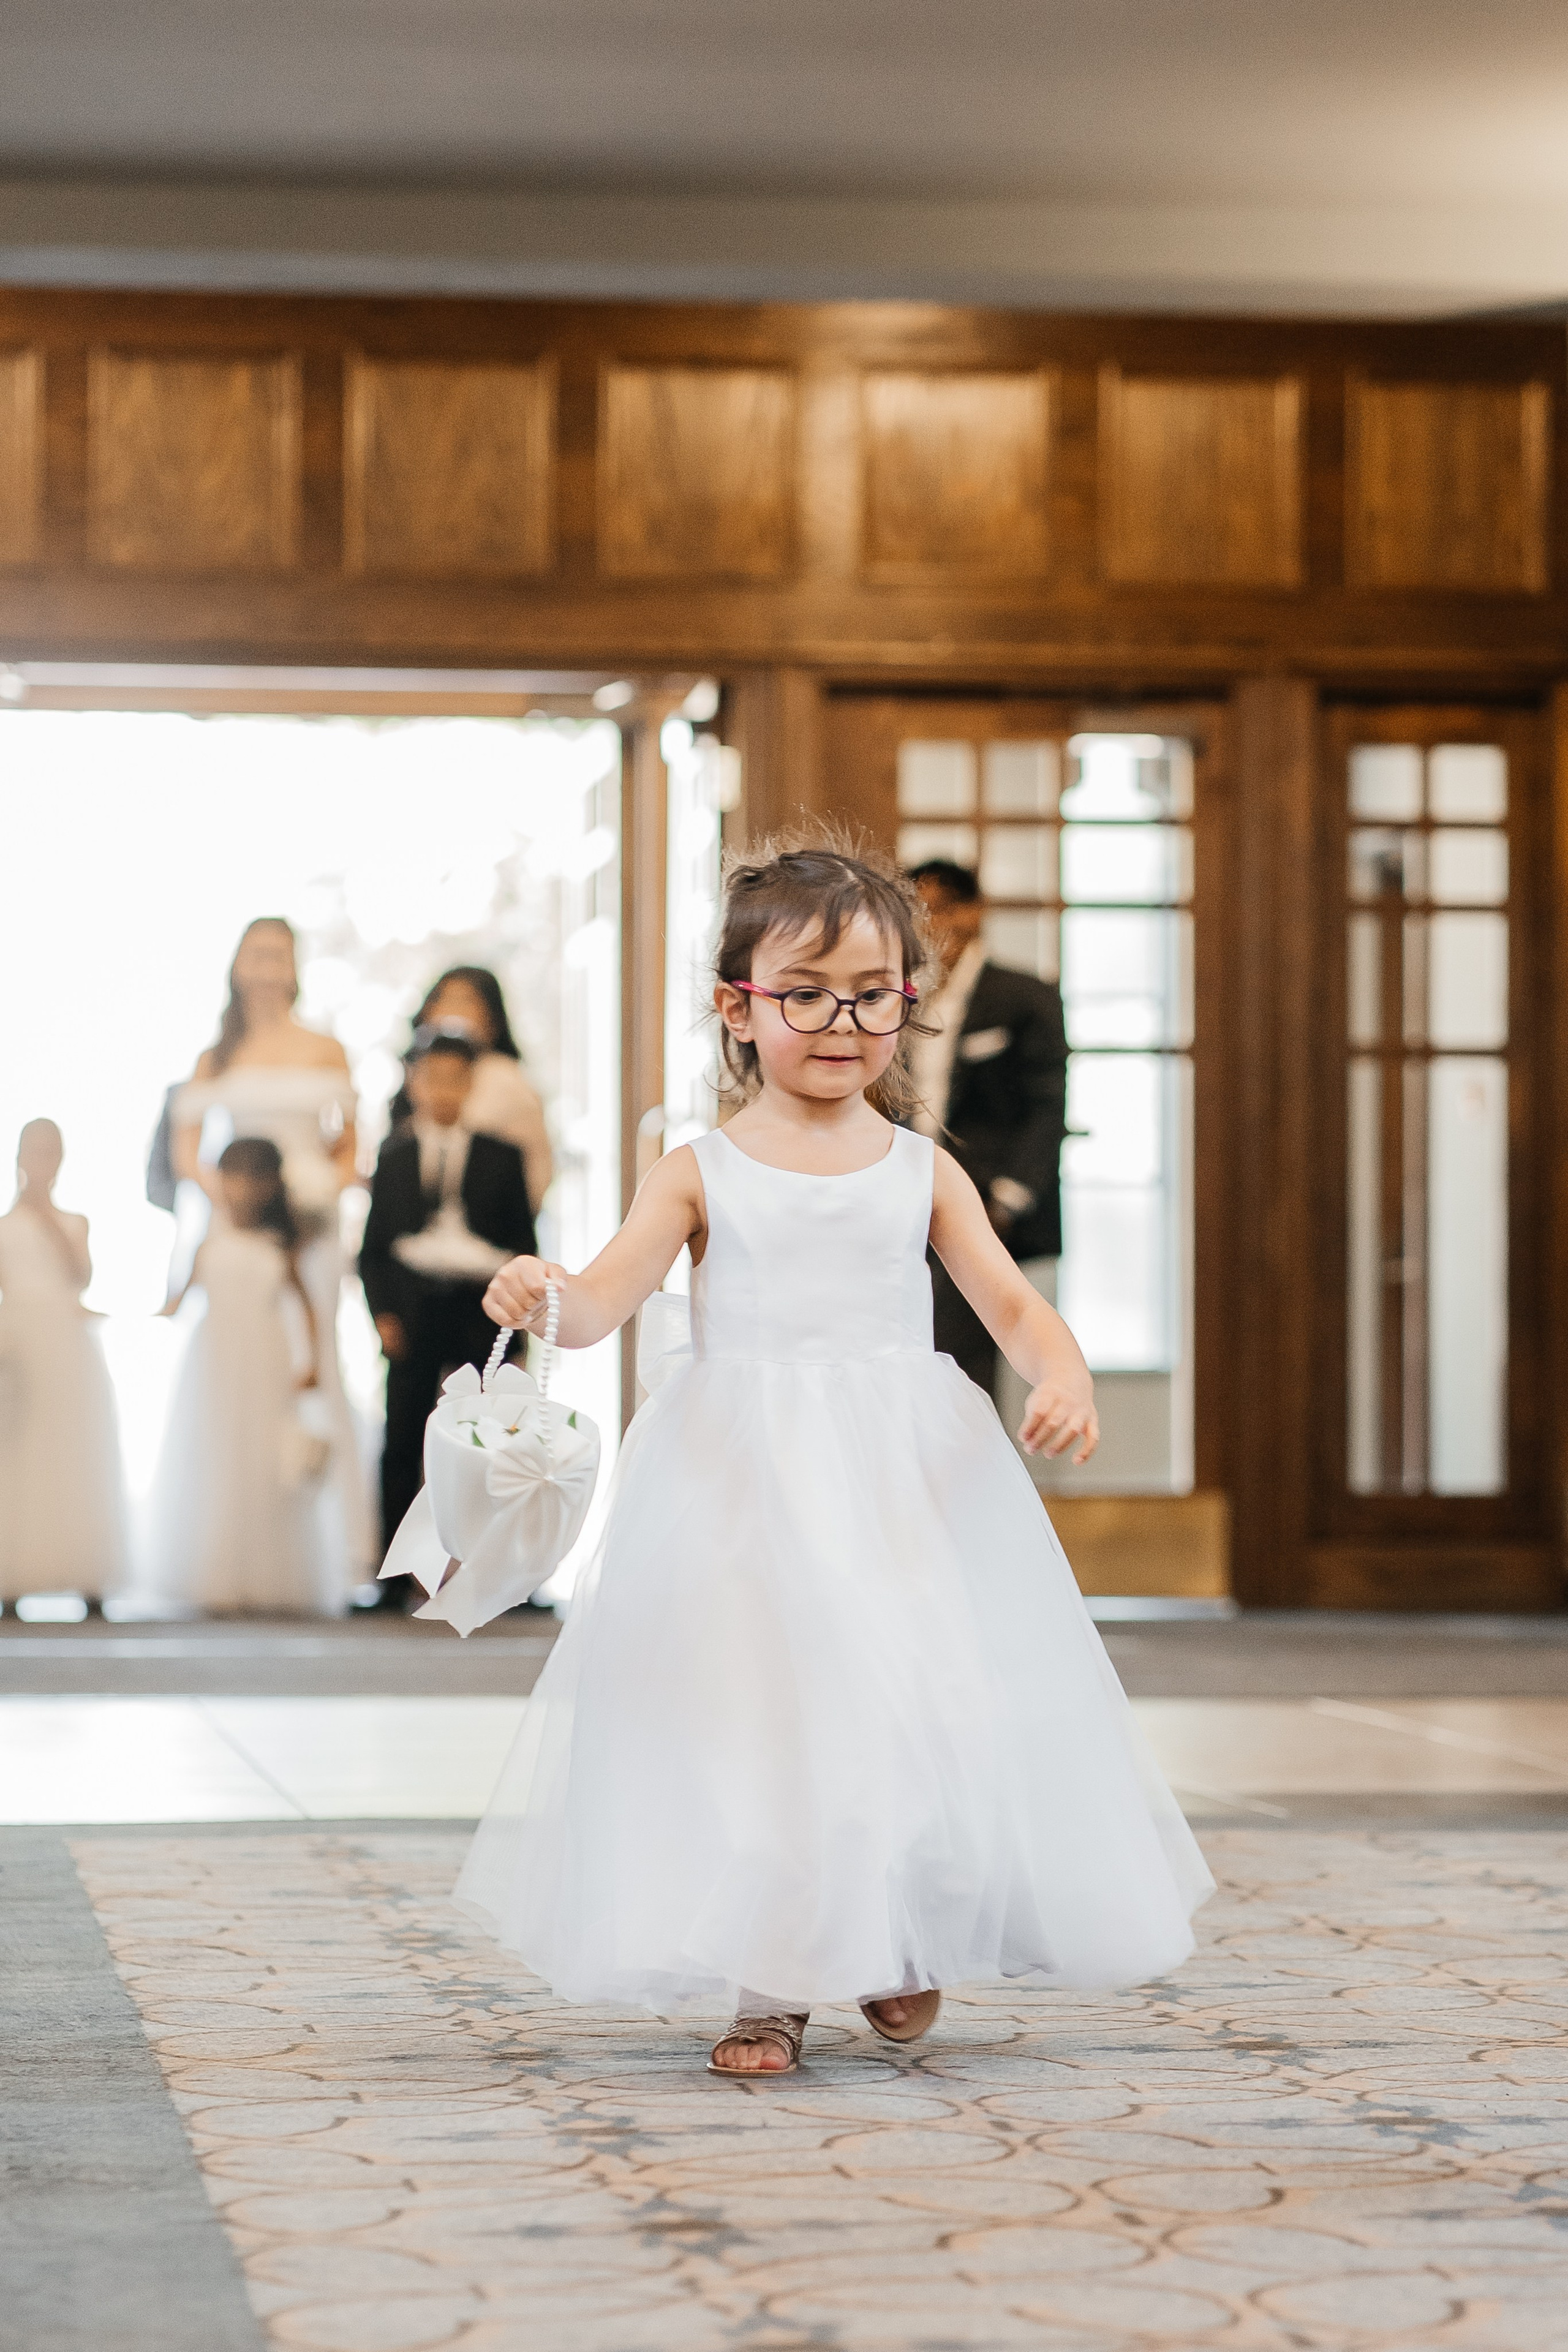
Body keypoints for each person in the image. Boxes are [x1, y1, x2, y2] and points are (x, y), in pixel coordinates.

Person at [458, 840, 1212, 2077]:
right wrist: (540, 1296)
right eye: (804, 993)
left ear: (906, 1005)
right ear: (737, 1009)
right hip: (740, 1479)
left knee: (911, 1699)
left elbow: (1009, 1305)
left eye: (872, 993)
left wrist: (1061, 1366)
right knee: (760, 1722)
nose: (840, 1021)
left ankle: (896, 1935)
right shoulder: (699, 1170)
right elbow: (603, 1300)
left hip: (899, 1471)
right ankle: (769, 1984)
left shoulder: (920, 1168)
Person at [168, 918, 374, 1597]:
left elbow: (348, 1149)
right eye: (254, 955)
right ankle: (226, 1546)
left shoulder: (324, 1050)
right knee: (231, 1380)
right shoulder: (216, 1057)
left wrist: (319, 1192)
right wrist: (237, 1209)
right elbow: (186, 1154)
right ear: (237, 966)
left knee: (313, 1374)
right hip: (237, 1242)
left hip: (307, 1236)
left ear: (293, 967)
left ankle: (342, 1551)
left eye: (277, 956)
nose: (265, 968)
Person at [360, 1030, 537, 1596]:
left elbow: (523, 1246)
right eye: (432, 1077)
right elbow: (373, 1250)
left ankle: (505, 1573)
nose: (442, 1089)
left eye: (455, 1078)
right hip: (414, 1312)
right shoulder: (393, 1156)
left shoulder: (502, 1157)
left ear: (471, 1085)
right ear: (414, 1082)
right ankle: (391, 1578)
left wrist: (521, 1325)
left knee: (495, 1442)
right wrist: (383, 1315)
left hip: (480, 1312)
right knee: (403, 1437)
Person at [146, 1137, 334, 1616]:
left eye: (253, 1178)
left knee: (264, 1461)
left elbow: (306, 1304)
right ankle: (214, 1573)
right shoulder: (207, 1243)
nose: (242, 1188)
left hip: (265, 1363)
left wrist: (309, 1363)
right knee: (215, 1458)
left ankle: (265, 1574)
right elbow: (174, 1303)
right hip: (213, 1362)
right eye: (233, 1176)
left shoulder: (281, 1244)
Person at [906, 859, 1069, 1398]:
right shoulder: (896, 997)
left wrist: (1007, 1200)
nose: (932, 925)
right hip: (904, 1197)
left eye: (944, 908)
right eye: (919, 911)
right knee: (906, 1346)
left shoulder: (1023, 997)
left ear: (975, 913)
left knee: (961, 1357)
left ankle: (963, 1473)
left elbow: (1047, 1107)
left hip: (980, 1201)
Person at [0, 1120, 128, 1611]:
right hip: (18, 1341)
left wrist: (46, 1218)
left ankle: (86, 1576)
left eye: (50, 1152)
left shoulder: (74, 1221)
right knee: (19, 1457)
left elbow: (81, 1275)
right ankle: (13, 1578)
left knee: (72, 1455)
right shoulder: (4, 1224)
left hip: (67, 1345)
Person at [390, 967, 552, 1214]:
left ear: (492, 1017)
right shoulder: (414, 1073)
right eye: (443, 999)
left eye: (466, 1001)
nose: (451, 1012)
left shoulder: (504, 1078)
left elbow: (534, 1175)